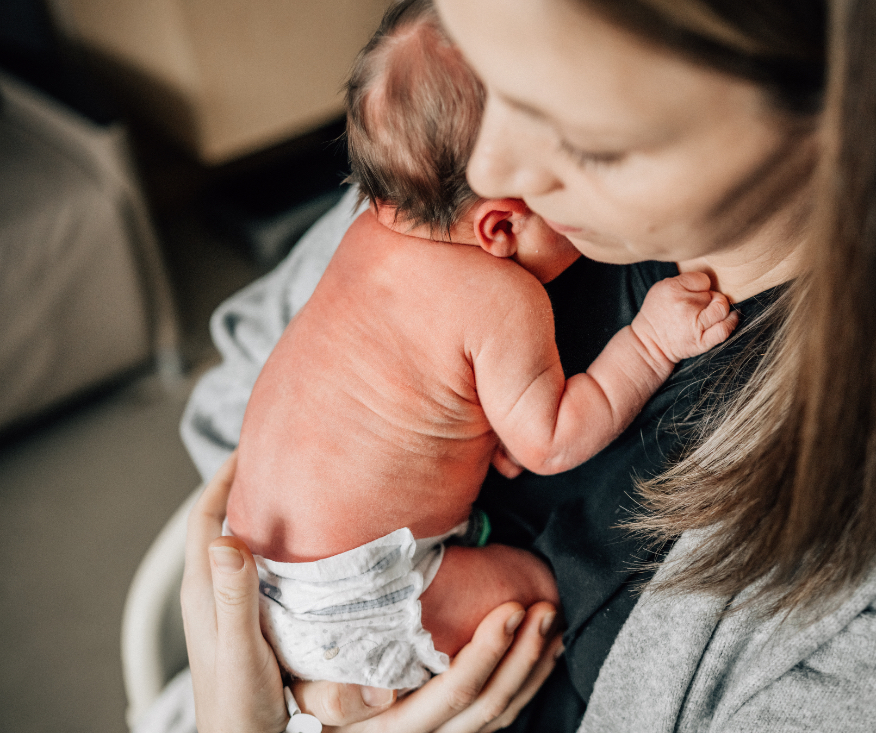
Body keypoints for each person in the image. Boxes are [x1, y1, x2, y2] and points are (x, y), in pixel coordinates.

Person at [175, 0, 876, 731]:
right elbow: (238, 394)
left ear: (851, 120)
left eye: (585, 138)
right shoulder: (446, 165)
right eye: (490, 70)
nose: (489, 165)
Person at [225, 0, 735, 692]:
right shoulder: (501, 296)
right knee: (531, 591)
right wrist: (649, 340)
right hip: (366, 600)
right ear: (500, 226)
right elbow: (547, 443)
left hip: (259, 572)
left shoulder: (364, 235)